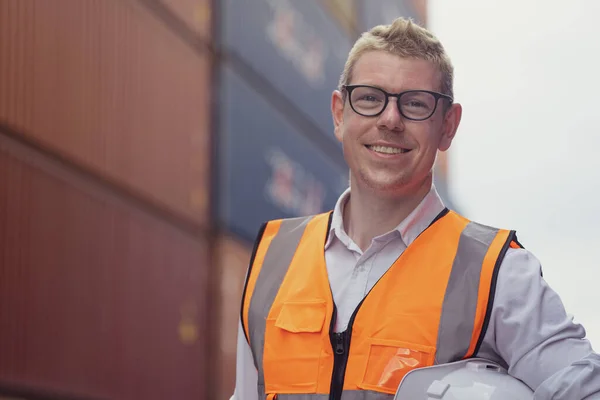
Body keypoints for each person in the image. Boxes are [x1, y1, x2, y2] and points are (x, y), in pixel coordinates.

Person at [232, 17, 600, 400]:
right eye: (371, 98)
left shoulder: (498, 272)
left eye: (415, 104)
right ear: (340, 113)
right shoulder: (271, 257)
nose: (390, 120)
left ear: (448, 127)